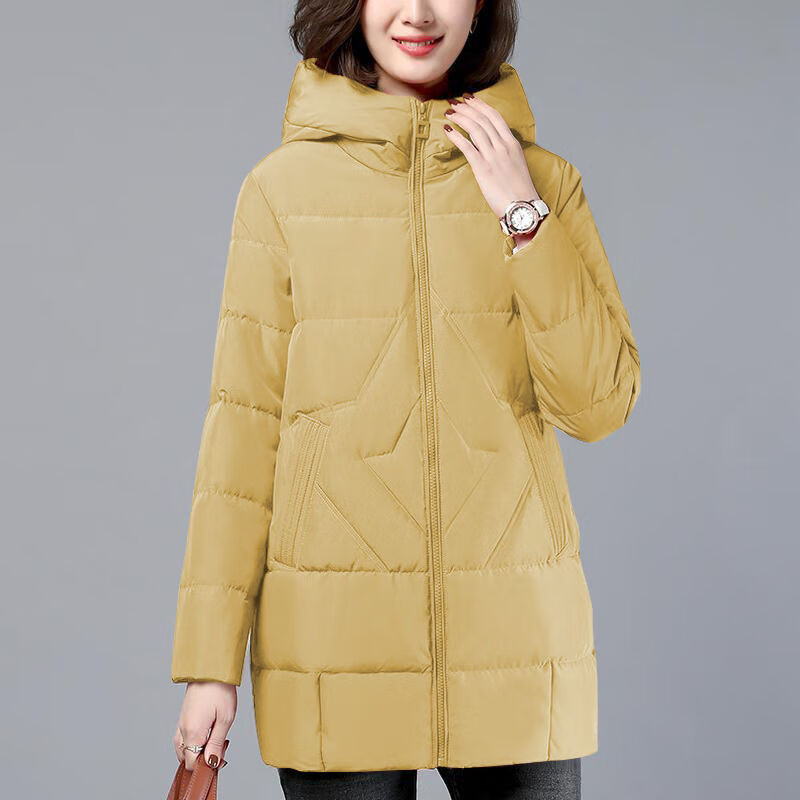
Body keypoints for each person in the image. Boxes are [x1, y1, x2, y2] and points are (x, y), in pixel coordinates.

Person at [169, 1, 641, 798]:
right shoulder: (281, 192)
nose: (418, 13)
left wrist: (522, 214)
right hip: (333, 642)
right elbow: (240, 441)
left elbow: (599, 405)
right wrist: (209, 666)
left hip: (514, 642)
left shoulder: (544, 183)